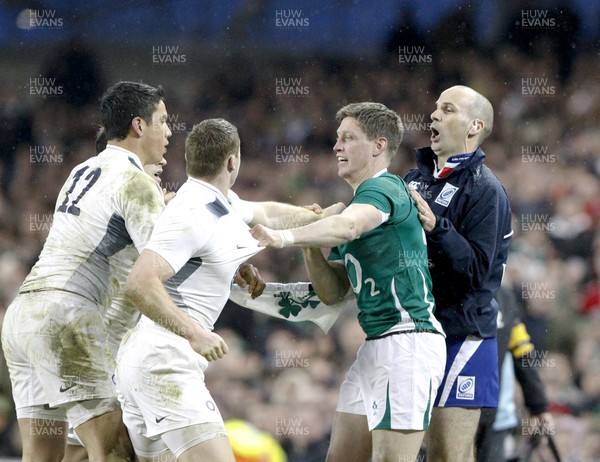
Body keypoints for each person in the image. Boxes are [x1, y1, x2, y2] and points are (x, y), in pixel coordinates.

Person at [115, 118, 343, 462]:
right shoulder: (192, 212)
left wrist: (312, 219)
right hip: (165, 362)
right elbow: (140, 282)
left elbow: (265, 212)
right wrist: (195, 334)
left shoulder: (217, 201)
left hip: (146, 361)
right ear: (233, 162)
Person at [250, 102, 446, 462]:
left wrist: (285, 236)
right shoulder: (355, 204)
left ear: (378, 146)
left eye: (348, 138)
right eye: (337, 139)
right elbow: (333, 291)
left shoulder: (385, 188)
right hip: (375, 345)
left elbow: (350, 226)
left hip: (408, 343)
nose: (336, 146)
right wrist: (310, 248)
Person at [1, 81, 171, 462]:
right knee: (113, 451)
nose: (170, 132)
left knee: (41, 456)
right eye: (163, 121)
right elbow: (161, 263)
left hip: (23, 314)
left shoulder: (81, 170)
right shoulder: (137, 181)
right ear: (139, 126)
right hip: (67, 318)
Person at [404, 85, 513, 462]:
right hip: (415, 333)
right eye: (435, 108)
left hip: (462, 336)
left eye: (447, 109)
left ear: (474, 126)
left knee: (449, 455)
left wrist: (438, 227)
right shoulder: (413, 180)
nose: (433, 115)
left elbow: (479, 273)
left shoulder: (486, 190)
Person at [63, 131, 175, 462]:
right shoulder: (124, 201)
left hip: (111, 352)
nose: (164, 162)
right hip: (94, 352)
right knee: (98, 452)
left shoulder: (96, 201)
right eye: (153, 158)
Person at [475, 284, 554, 462]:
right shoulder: (451, 289)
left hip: (496, 418)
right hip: (452, 412)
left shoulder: (505, 298)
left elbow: (522, 353)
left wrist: (538, 406)